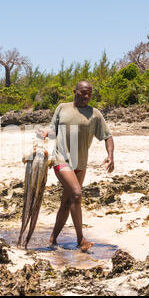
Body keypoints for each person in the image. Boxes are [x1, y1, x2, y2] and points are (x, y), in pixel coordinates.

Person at [37, 80, 115, 252]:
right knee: (77, 194)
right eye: (83, 92)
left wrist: (110, 155)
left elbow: (108, 136)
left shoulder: (94, 114)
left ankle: (52, 239)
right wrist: (45, 133)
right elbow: (53, 129)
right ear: (75, 91)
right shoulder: (62, 108)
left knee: (67, 201)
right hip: (61, 159)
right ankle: (80, 240)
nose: (86, 96)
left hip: (80, 163)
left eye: (89, 93)